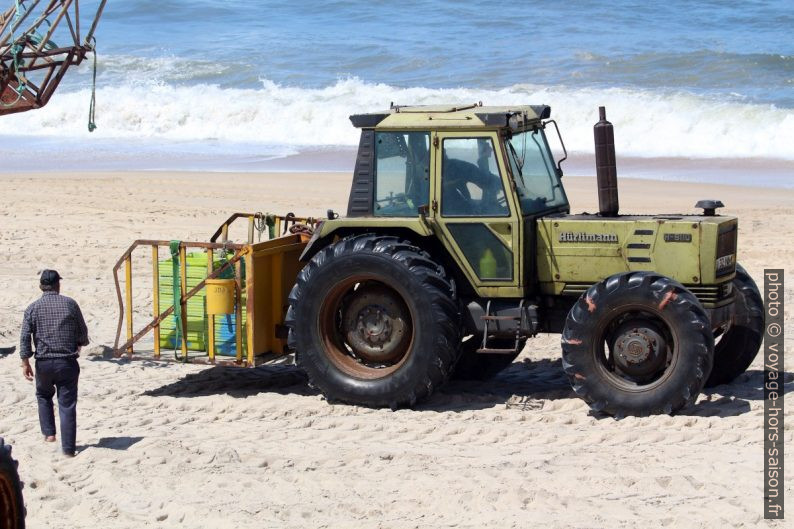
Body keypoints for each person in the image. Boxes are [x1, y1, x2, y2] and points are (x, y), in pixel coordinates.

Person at [19, 270, 89, 457]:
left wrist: (25, 362)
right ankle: (68, 449)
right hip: (67, 361)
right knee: (67, 405)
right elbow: (83, 332)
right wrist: (79, 344)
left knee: (43, 395)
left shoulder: (32, 308)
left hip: (43, 362)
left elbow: (25, 337)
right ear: (58, 284)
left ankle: (49, 434)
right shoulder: (70, 304)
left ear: (41, 285)